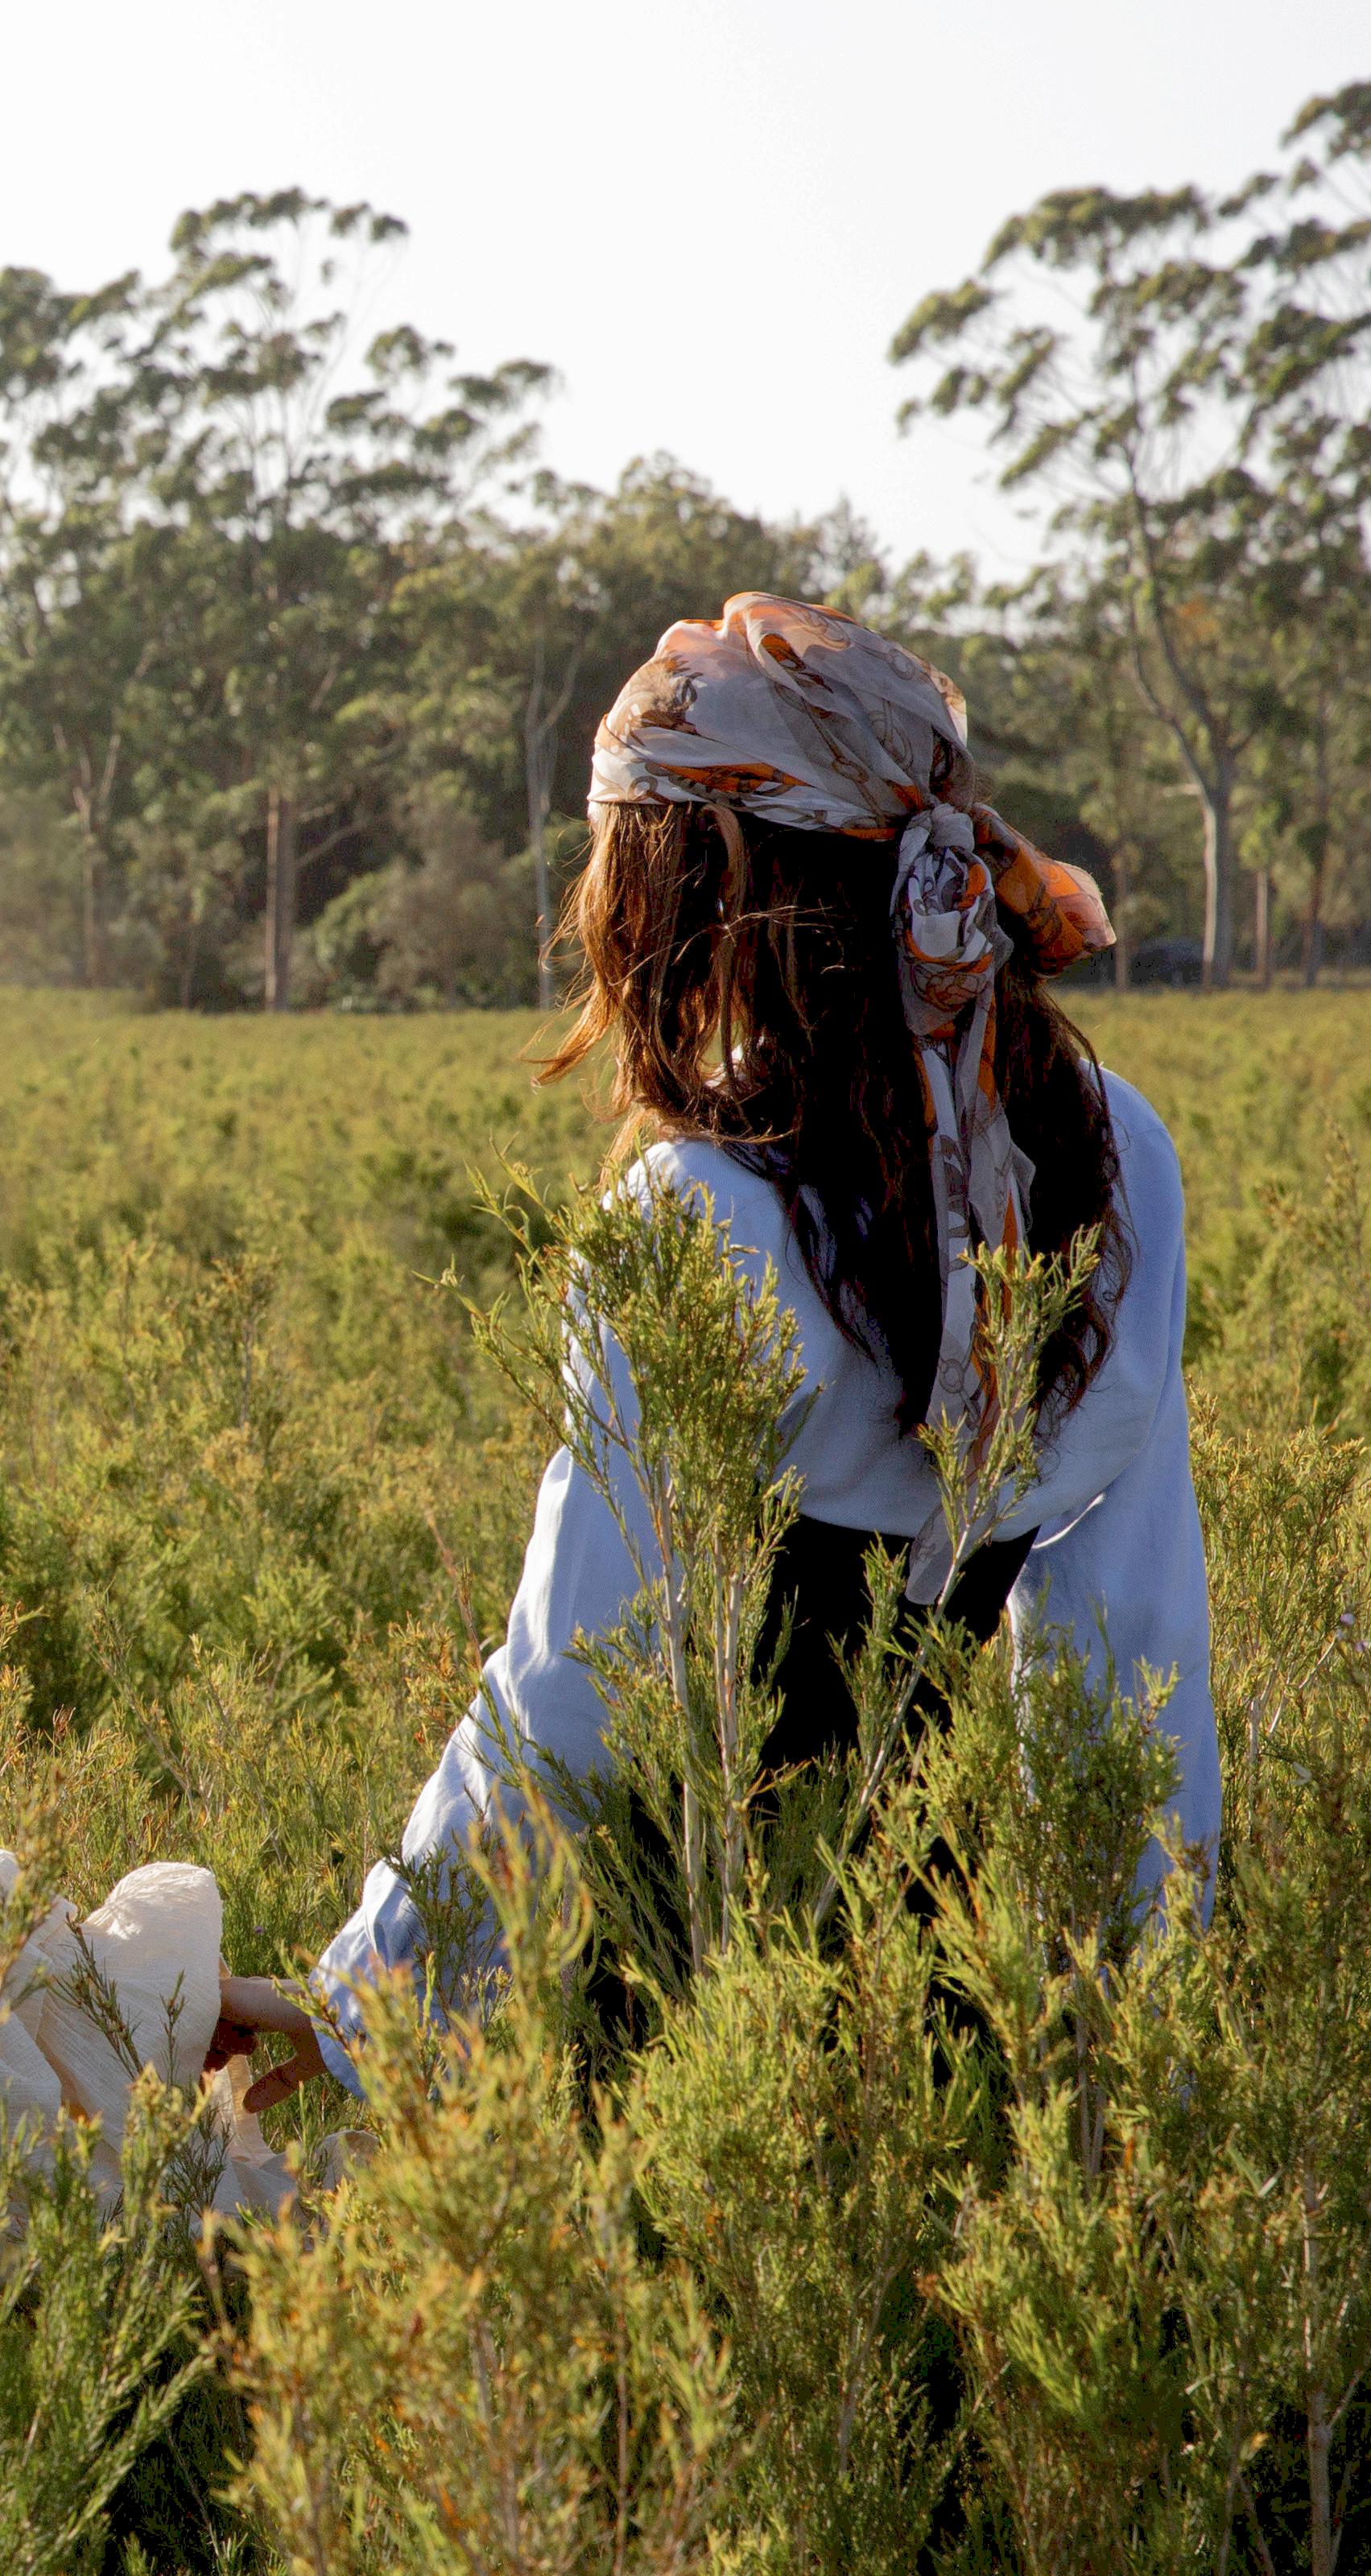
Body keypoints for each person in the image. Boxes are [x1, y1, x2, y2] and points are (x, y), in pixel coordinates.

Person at [267, 593, 1217, 2103]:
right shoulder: (1114, 1153)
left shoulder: (702, 1207)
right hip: (949, 1988)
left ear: (705, 884)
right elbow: (1132, 1634)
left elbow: (574, 1692)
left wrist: (367, 2004)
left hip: (674, 1995)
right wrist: (1140, 2026)